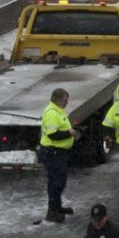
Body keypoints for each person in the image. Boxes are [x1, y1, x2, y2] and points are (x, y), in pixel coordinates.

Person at [41, 88, 79, 223]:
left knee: (59, 181)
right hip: (53, 153)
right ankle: (52, 211)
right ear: (57, 99)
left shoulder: (58, 111)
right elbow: (52, 134)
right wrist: (69, 133)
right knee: (56, 182)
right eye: (65, 99)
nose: (67, 102)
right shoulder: (51, 113)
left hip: (59, 152)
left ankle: (57, 207)